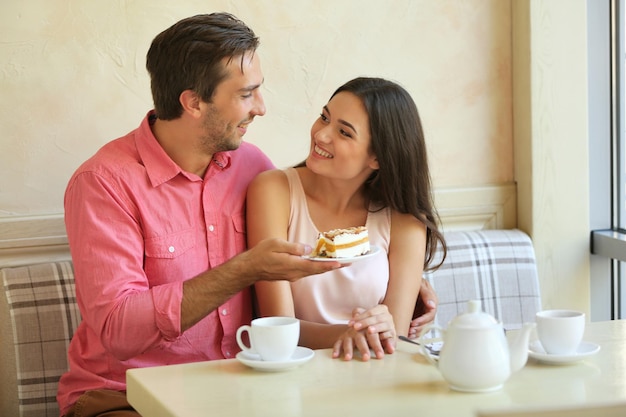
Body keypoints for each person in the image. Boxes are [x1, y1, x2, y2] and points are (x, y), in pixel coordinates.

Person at [56, 13, 438, 416]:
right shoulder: (104, 183)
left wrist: (410, 286)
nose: (261, 107)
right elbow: (118, 329)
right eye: (246, 94)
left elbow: (312, 238)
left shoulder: (251, 167)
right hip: (124, 397)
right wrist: (242, 270)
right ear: (193, 102)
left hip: (238, 388)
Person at [247, 77, 447, 362]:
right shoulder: (274, 190)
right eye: (324, 117)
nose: (322, 135)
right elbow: (277, 326)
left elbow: (396, 335)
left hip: (375, 371)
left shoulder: (404, 218)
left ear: (377, 156)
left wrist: (375, 332)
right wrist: (348, 334)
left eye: (344, 132)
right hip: (292, 371)